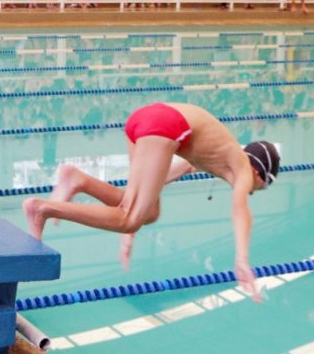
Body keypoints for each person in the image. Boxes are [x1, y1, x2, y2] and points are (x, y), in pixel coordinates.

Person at [23, 103, 280, 298]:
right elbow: (241, 211)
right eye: (258, 188)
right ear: (259, 173)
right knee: (129, 218)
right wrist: (242, 259)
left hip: (144, 118)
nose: (251, 191)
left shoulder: (215, 155)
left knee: (148, 211)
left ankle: (77, 179)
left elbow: (153, 184)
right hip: (165, 125)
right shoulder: (244, 169)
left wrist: (129, 232)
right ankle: (42, 208)